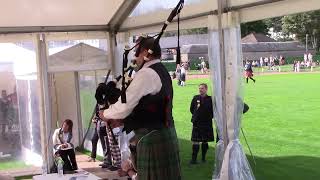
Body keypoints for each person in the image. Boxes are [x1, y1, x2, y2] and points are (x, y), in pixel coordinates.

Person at [100, 36, 181, 180]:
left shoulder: (146, 73)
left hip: (152, 139)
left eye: (136, 51)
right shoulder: (161, 70)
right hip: (164, 134)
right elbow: (151, 107)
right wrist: (124, 121)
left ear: (145, 53)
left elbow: (124, 106)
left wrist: (105, 113)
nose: (134, 57)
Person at [189, 83, 214, 164]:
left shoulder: (210, 99)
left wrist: (209, 117)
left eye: (202, 88)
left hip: (206, 123)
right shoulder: (195, 98)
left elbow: (213, 111)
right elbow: (192, 109)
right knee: (195, 141)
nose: (200, 90)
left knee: (204, 141)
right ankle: (194, 160)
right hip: (197, 122)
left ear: (206, 89)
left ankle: (203, 158)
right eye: (199, 88)